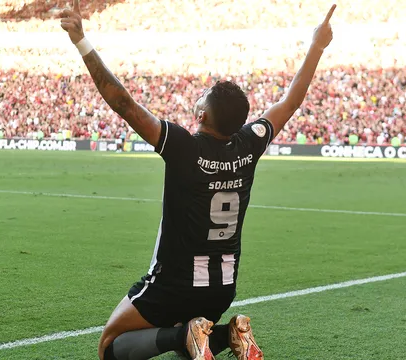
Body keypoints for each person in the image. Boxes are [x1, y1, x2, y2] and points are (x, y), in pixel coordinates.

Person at [60, 1, 336, 359]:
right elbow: (291, 99)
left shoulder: (183, 146)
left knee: (110, 347)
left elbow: (124, 104)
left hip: (174, 284)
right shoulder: (250, 143)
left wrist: (82, 41)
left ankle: (186, 334)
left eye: (200, 98)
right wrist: (316, 46)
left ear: (202, 114)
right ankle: (229, 334)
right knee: (190, 347)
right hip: (221, 289)